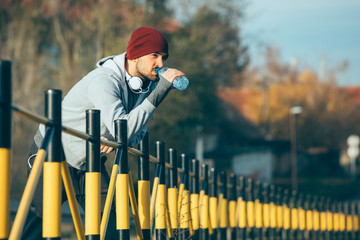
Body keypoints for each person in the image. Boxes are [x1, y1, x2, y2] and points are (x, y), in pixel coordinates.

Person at [22, 26, 186, 239]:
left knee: (114, 225)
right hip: (52, 155)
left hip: (89, 162)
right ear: (135, 55)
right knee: (35, 231)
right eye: (155, 56)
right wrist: (158, 94)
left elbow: (135, 135)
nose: (161, 64)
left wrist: (115, 137)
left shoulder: (141, 88)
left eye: (163, 57)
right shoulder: (104, 81)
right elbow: (127, 128)